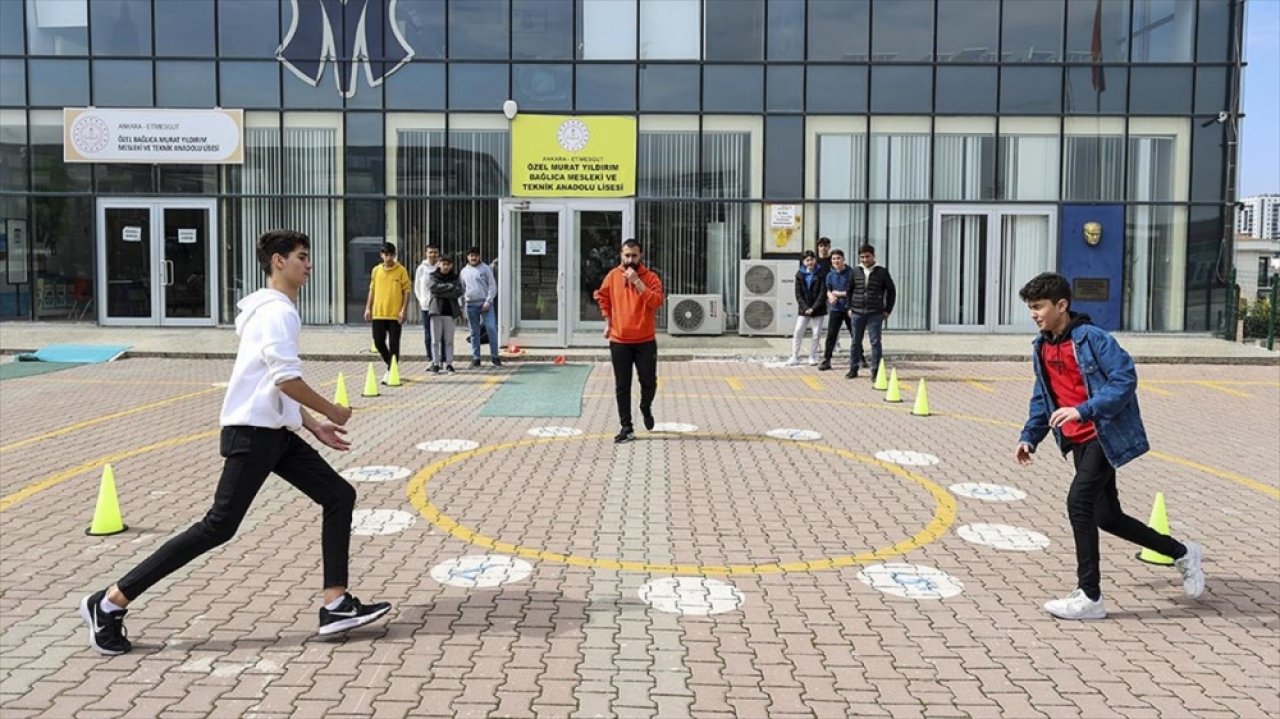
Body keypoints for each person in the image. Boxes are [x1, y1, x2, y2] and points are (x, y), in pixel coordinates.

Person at [79, 230, 391, 656]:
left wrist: (311, 425)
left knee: (339, 494)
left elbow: (271, 381)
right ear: (278, 261)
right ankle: (110, 602)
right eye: (301, 257)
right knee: (218, 526)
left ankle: (335, 605)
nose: (309, 264)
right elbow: (286, 378)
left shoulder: (270, 310)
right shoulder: (276, 312)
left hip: (275, 434)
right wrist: (331, 411)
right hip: (254, 435)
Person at [1015, 272, 1204, 621]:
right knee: (1107, 517)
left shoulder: (1092, 339)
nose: (1034, 314)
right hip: (1077, 440)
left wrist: (1084, 410)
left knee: (1078, 502)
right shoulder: (1041, 347)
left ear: (1062, 305)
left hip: (1103, 435)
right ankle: (1182, 552)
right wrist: (1030, 436)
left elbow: (1125, 378)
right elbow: (1043, 396)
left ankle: (1090, 595)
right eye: (1031, 308)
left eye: (1039, 307)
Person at [594, 239, 665, 444]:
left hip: (645, 340)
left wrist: (638, 282)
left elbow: (656, 301)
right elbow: (603, 297)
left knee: (648, 382)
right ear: (621, 255)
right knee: (622, 385)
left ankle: (645, 406)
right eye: (627, 255)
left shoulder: (650, 277)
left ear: (640, 255)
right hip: (620, 340)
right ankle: (626, 426)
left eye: (634, 255)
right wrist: (608, 322)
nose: (630, 259)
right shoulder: (612, 276)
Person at [846, 244, 896, 381]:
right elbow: (849, 290)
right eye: (862, 257)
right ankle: (853, 369)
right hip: (857, 312)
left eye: (867, 256)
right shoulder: (855, 271)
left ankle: (876, 371)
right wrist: (849, 307)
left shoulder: (882, 272)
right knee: (855, 341)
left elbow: (891, 291)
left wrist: (888, 310)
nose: (864, 259)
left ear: (873, 256)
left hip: (875, 312)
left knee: (875, 342)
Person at [364, 242, 410, 383]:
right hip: (378, 312)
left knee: (394, 343)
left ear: (394, 255)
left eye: (391, 255)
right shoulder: (376, 270)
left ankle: (391, 371)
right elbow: (372, 290)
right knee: (378, 341)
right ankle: (391, 365)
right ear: (381, 255)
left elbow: (407, 291)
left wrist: (403, 310)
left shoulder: (401, 270)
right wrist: (368, 308)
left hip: (395, 314)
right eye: (386, 254)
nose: (388, 258)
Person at [460, 247, 502, 368]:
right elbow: (462, 289)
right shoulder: (464, 271)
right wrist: (462, 306)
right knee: (474, 332)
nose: (474, 258)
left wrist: (488, 301)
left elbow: (492, 286)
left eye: (476, 255)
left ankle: (495, 357)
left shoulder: (486, 268)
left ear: (479, 256)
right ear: (467, 257)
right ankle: (476, 358)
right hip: (470, 305)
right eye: (471, 255)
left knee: (491, 329)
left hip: (486, 304)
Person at [787, 250, 826, 366]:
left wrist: (814, 308)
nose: (810, 262)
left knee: (816, 333)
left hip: (818, 309)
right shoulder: (799, 274)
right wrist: (805, 308)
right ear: (803, 262)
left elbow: (822, 293)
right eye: (807, 260)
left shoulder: (821, 273)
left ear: (815, 260)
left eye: (811, 259)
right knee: (798, 331)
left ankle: (812, 356)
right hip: (804, 309)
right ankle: (794, 356)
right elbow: (798, 294)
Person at [426, 255, 464, 374]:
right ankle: (436, 363)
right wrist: (450, 287)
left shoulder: (455, 277)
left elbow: (458, 292)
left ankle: (449, 363)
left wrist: (440, 292)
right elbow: (433, 288)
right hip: (436, 311)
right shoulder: (433, 276)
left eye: (448, 264)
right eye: (443, 264)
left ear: (451, 265)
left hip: (450, 312)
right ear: (439, 264)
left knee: (449, 340)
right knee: (435, 340)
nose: (446, 266)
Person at [817, 249, 854, 372]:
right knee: (831, 335)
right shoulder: (830, 275)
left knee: (855, 334)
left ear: (843, 259)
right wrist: (830, 295)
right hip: (836, 309)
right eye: (833, 259)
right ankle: (827, 360)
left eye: (838, 258)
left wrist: (839, 294)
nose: (836, 261)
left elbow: (855, 291)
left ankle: (860, 357)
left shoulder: (851, 273)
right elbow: (828, 289)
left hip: (849, 309)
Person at [413, 244, 440, 368]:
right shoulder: (421, 268)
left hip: (439, 305)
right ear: (426, 253)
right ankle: (430, 358)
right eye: (430, 252)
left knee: (440, 333)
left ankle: (442, 358)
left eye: (435, 252)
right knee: (428, 333)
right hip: (426, 306)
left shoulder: (441, 267)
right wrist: (422, 300)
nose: (433, 255)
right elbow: (417, 287)